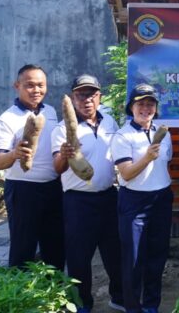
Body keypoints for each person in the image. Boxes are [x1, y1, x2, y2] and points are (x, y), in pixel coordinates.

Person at [51, 75, 124, 313]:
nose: (87, 100)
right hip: (78, 200)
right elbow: (58, 168)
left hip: (108, 196)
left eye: (91, 94)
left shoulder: (110, 122)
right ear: (73, 98)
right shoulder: (62, 129)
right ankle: (83, 302)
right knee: (79, 256)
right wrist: (64, 153)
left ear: (99, 96)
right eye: (81, 94)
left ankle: (118, 296)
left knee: (114, 251)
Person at [0, 64, 64, 269]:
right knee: (23, 249)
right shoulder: (6, 119)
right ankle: (20, 297)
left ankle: (54, 296)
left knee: (55, 247)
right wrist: (14, 154)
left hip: (52, 188)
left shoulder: (50, 111)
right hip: (23, 190)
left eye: (40, 85)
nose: (36, 90)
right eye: (30, 85)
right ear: (17, 86)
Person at [111, 84, 173, 313]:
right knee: (134, 260)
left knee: (157, 257)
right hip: (134, 203)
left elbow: (166, 162)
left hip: (161, 199)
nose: (145, 108)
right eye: (141, 104)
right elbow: (126, 173)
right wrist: (146, 158)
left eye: (150, 104)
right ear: (131, 107)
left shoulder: (162, 133)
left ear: (156, 109)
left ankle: (151, 306)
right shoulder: (122, 136)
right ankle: (133, 308)